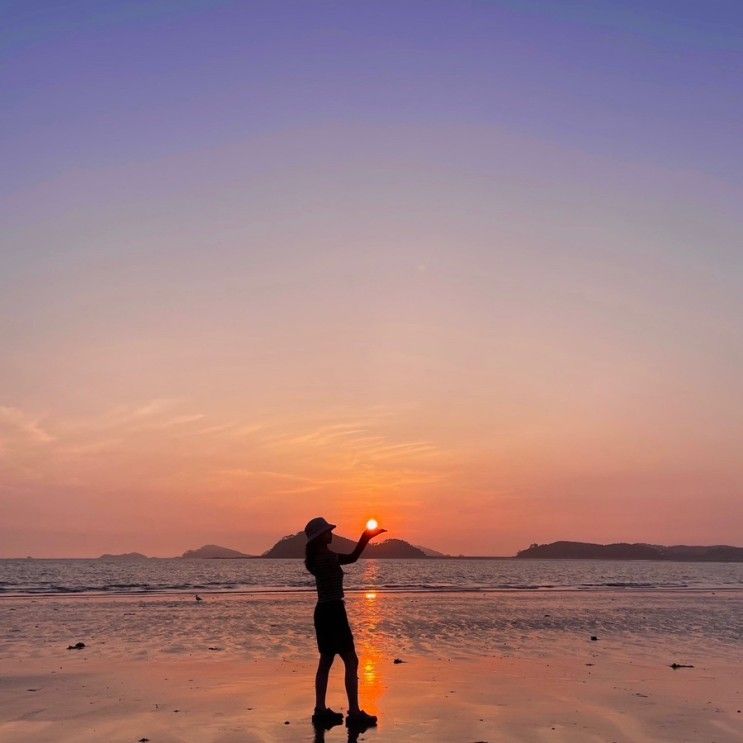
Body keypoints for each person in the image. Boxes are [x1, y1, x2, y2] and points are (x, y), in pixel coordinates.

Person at [304, 516, 386, 729]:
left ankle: (320, 710)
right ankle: (354, 712)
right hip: (333, 612)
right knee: (351, 661)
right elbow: (353, 558)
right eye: (327, 531)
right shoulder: (326, 558)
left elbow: (350, 558)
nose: (331, 533)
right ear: (321, 537)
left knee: (326, 662)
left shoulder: (314, 559)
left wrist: (365, 537)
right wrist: (365, 537)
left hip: (323, 611)